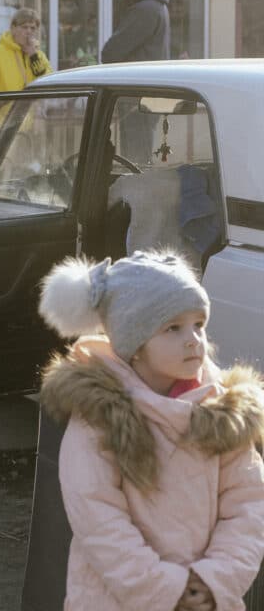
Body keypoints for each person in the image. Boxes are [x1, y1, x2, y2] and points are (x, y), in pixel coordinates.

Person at [38, 251, 264, 611]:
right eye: (172, 328)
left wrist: (214, 580)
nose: (193, 339)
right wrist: (165, 590)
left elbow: (249, 507)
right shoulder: (101, 417)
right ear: (134, 344)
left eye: (198, 324)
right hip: (118, 598)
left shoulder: (222, 411)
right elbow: (98, 519)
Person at [0, 7, 51, 129]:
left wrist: (33, 56)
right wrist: (0, 100)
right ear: (13, 28)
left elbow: (48, 82)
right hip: (2, 126)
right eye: (24, 27)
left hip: (31, 126)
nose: (29, 31)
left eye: (33, 28)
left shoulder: (37, 54)